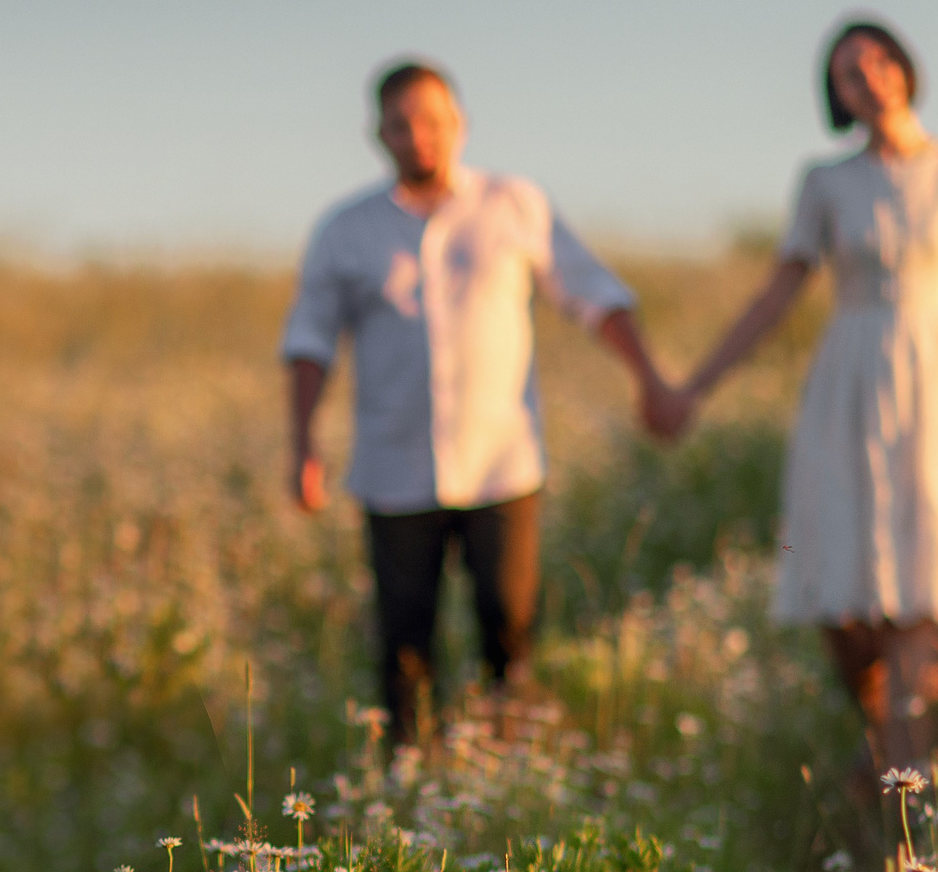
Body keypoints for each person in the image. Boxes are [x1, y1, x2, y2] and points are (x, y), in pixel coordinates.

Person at [674, 17, 938, 783]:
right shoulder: (825, 182)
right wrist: (696, 385)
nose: (870, 77)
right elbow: (778, 293)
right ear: (838, 96)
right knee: (837, 592)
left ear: (905, 68)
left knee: (922, 587)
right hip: (848, 387)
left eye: (879, 59)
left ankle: (906, 801)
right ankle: (887, 732)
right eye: (850, 72)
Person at [284, 59, 684, 744]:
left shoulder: (513, 204)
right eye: (400, 124)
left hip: (501, 461)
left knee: (510, 625)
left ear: (460, 124)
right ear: (377, 133)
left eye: (432, 121)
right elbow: (311, 341)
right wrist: (302, 444)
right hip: (395, 469)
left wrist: (648, 376)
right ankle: (410, 778)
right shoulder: (346, 230)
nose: (418, 136)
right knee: (404, 641)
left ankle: (511, 761)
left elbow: (591, 292)